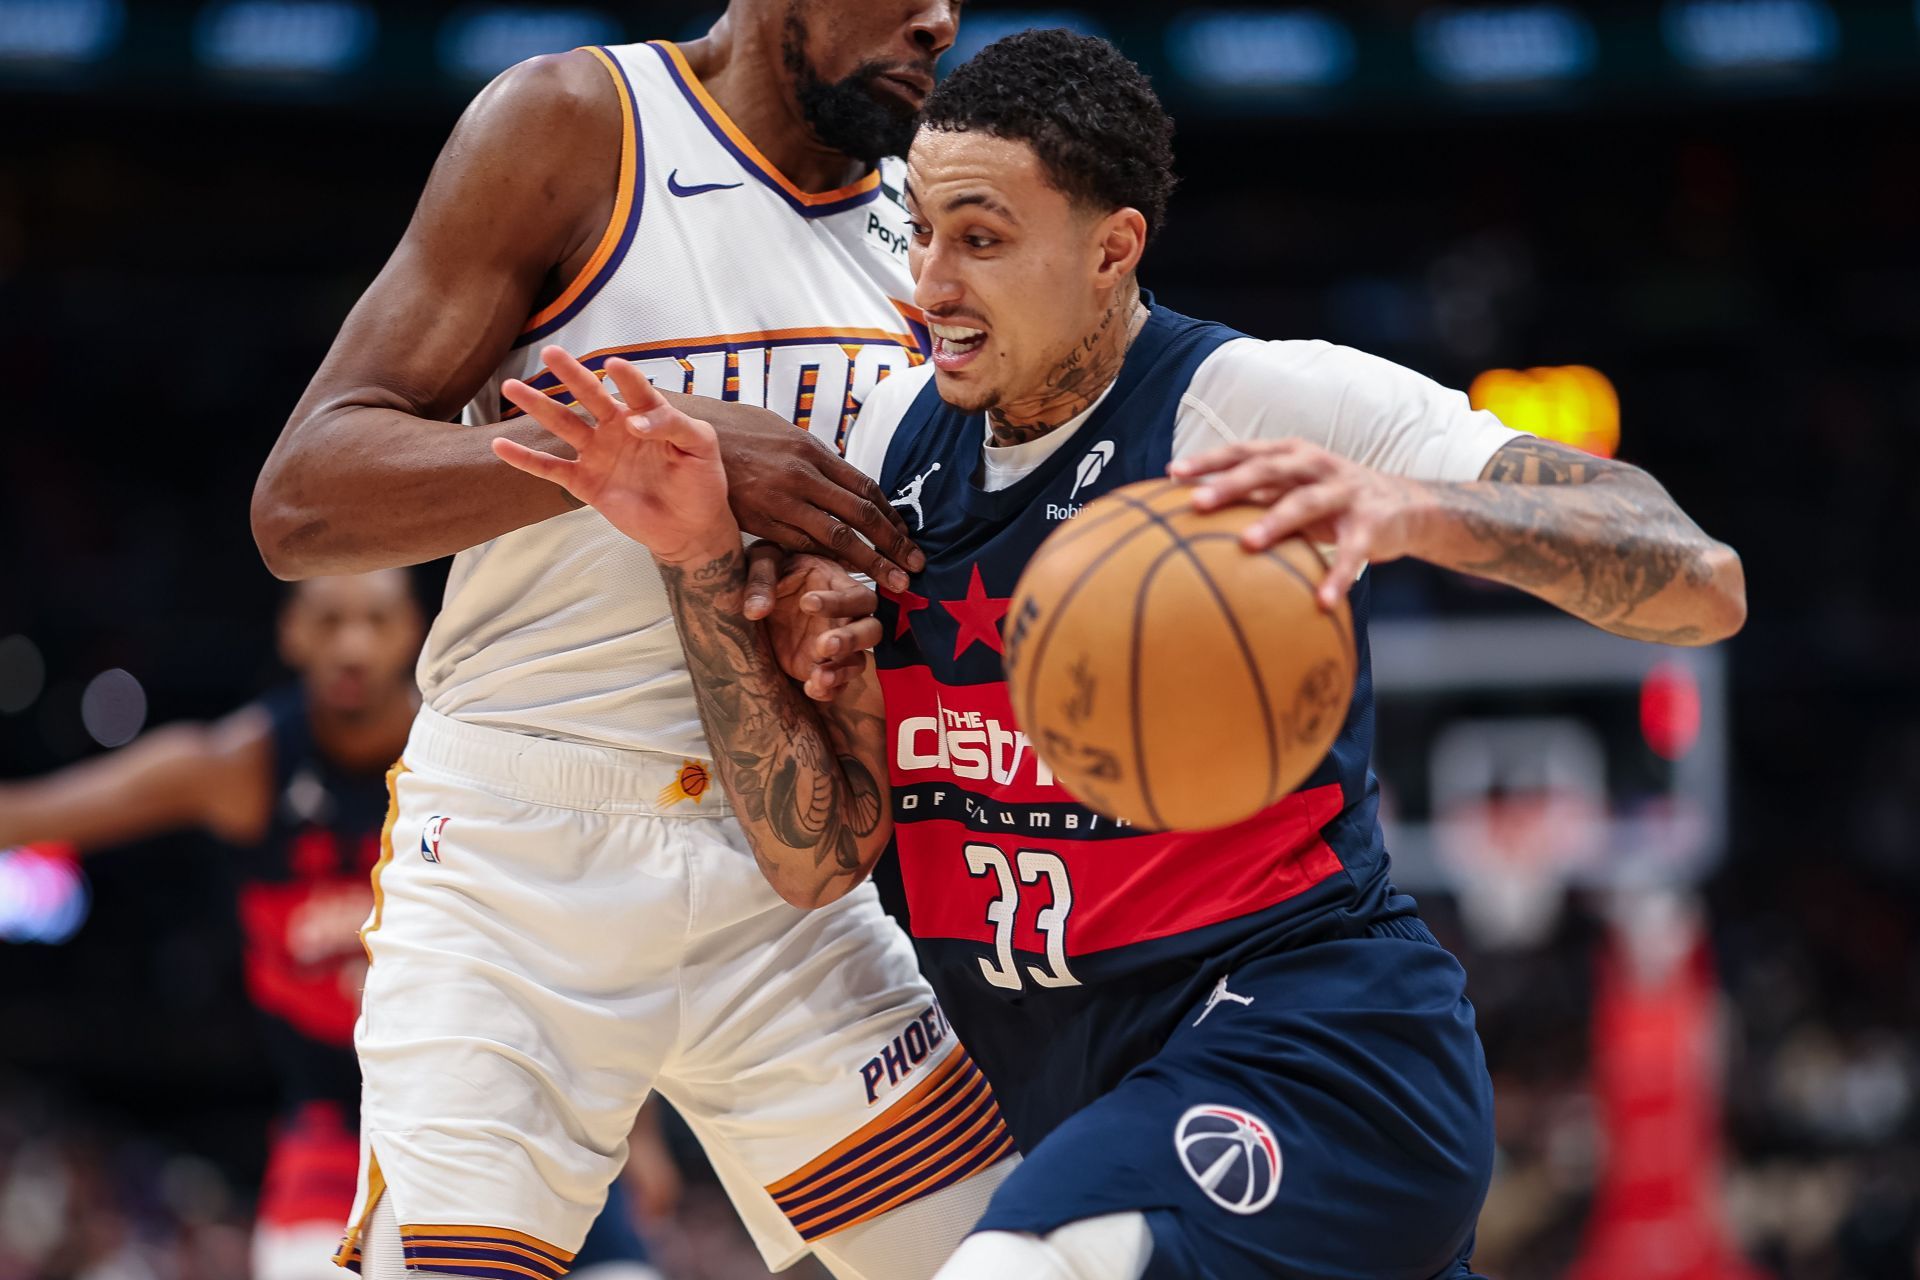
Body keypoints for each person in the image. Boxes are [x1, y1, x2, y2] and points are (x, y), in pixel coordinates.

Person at [494, 28, 1749, 1280]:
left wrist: (1412, 512)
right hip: (1074, 1086)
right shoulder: (886, 447)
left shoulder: (1252, 405)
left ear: (1112, 250)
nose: (930, 279)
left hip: (1315, 1049)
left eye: (981, 239)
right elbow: (817, 856)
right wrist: (707, 564)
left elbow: (1701, 582)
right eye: (919, 230)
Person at [249, 4, 1016, 1279]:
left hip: (786, 874)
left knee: (1010, 1261)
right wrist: (654, 448)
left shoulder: (934, 223)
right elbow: (305, 497)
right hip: (517, 871)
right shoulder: (578, 127)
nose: (939, 15)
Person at [0, 573, 674, 1280]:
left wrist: (643, 1129)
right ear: (292, 633)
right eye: (328, 621)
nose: (351, 646)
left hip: (509, 1109)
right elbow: (40, 812)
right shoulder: (248, 768)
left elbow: (591, 952)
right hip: (337, 1124)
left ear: (414, 632)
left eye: (376, 621)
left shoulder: (478, 766)